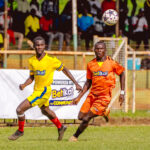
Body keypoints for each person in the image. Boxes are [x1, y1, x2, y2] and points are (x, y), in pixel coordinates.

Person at [8, 36, 82, 141]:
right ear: (34, 46)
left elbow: (64, 69)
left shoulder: (51, 60)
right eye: (37, 45)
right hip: (37, 90)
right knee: (45, 111)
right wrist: (24, 85)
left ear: (45, 46)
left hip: (43, 91)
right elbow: (32, 77)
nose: (39, 47)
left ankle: (20, 131)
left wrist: (76, 83)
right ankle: (61, 127)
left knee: (19, 109)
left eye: (41, 45)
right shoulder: (32, 60)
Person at [69, 40, 125, 142]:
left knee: (87, 118)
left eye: (101, 49)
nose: (99, 51)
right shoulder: (91, 64)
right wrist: (78, 97)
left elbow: (122, 73)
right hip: (92, 95)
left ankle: (74, 137)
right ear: (94, 50)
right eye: (97, 49)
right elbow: (88, 82)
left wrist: (122, 92)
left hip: (104, 96)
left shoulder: (111, 63)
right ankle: (103, 111)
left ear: (105, 50)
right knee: (81, 117)